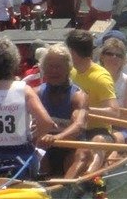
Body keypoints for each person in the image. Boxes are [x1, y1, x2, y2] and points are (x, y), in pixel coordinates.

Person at [0, 37, 55, 180]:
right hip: (20, 161)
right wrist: (31, 139)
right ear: (13, 62)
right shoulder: (25, 91)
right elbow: (47, 124)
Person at [65, 29, 118, 177]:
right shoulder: (70, 73)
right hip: (74, 129)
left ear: (72, 52)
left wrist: (86, 110)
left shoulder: (100, 77)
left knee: (97, 141)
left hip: (98, 131)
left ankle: (89, 177)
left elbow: (114, 112)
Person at [34, 44, 88, 178]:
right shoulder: (36, 94)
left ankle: (66, 185)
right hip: (45, 149)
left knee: (83, 152)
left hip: (70, 148)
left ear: (68, 68)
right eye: (50, 66)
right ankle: (41, 180)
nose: (54, 71)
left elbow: (79, 126)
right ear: (44, 69)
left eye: (59, 67)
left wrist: (56, 138)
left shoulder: (78, 96)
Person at [98, 37, 127, 145]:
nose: (114, 57)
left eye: (119, 55)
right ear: (102, 56)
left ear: (123, 60)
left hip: (119, 127)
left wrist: (112, 113)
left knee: (108, 139)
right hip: (95, 125)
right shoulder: (94, 77)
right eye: (110, 54)